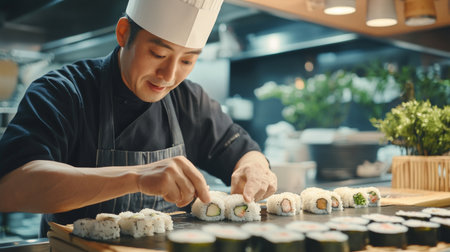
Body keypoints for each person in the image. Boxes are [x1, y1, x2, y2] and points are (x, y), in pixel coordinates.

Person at [0, 0, 277, 236]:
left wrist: (255, 168)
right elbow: (11, 187)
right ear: (123, 33)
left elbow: (246, 153)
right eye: (158, 53)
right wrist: (137, 176)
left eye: (187, 61)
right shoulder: (64, 92)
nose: (169, 76)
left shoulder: (190, 100)